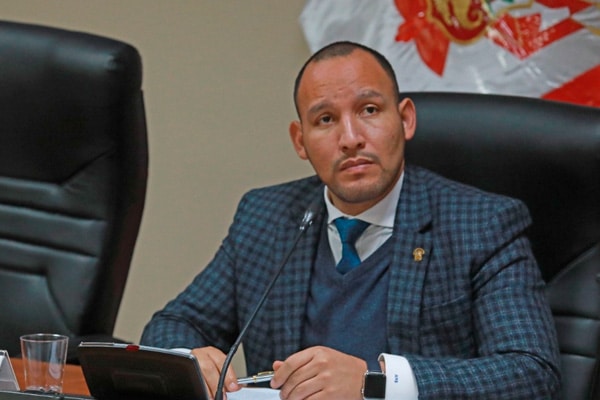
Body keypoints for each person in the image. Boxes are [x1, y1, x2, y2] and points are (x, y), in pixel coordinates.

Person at [141, 41, 560, 399]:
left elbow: (531, 372)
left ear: (406, 119)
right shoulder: (265, 216)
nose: (351, 138)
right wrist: (189, 359)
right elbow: (175, 324)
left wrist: (374, 383)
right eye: (325, 119)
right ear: (300, 141)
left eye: (369, 110)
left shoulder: (482, 224)